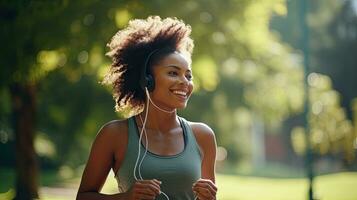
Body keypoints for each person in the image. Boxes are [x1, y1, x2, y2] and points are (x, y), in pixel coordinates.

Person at [76, 16, 217, 200]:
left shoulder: (203, 136)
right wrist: (126, 198)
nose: (185, 82)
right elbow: (83, 197)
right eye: (173, 73)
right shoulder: (114, 134)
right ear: (146, 80)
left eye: (188, 76)